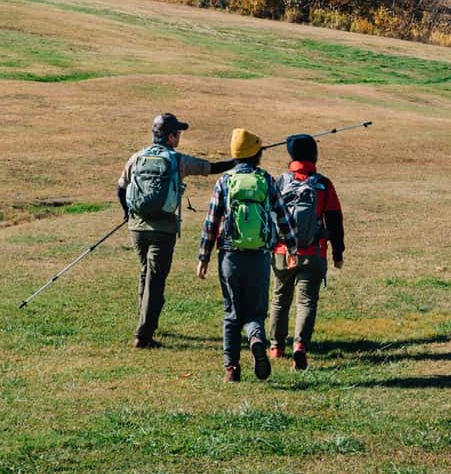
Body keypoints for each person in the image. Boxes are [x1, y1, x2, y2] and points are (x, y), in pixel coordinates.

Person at [118, 112, 235, 349]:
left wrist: (126, 214)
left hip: (137, 228)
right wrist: (237, 162)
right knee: (155, 280)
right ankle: (143, 335)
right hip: (163, 229)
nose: (179, 136)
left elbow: (121, 188)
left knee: (146, 274)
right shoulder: (177, 160)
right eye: (178, 133)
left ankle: (146, 324)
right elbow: (211, 168)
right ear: (170, 136)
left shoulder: (137, 157)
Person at [197, 129, 299, 383]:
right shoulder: (266, 179)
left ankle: (231, 369)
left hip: (230, 256)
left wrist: (203, 257)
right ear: (256, 153)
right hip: (260, 257)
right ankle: (255, 339)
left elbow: (211, 223)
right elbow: (283, 218)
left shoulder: (224, 181)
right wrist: (292, 249)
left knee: (232, 313)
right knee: (255, 311)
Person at [269, 133, 345, 371]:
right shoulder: (323, 184)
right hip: (313, 252)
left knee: (280, 300)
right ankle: (299, 347)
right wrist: (338, 252)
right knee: (306, 302)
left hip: (282, 251)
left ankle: (275, 347)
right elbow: (334, 222)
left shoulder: (280, 181)